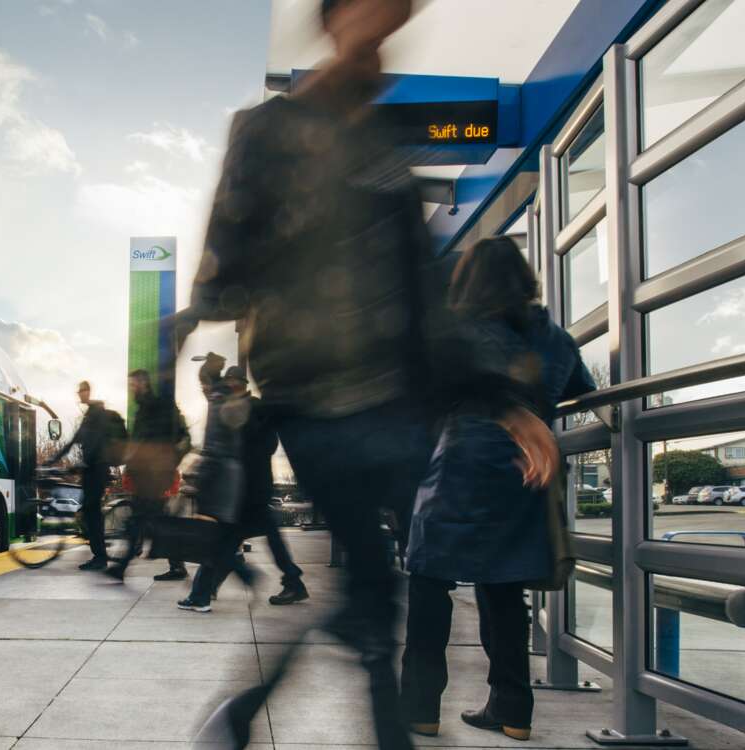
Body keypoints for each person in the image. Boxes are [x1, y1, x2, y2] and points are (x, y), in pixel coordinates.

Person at [177, 1, 559, 746]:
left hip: (398, 402)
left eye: (397, 19)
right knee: (377, 599)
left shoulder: (385, 149)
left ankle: (251, 710)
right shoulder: (268, 130)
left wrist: (501, 400)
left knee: (378, 596)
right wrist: (194, 343)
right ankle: (263, 710)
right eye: (374, 13)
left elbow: (426, 302)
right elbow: (221, 266)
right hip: (308, 395)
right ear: (334, 18)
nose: (386, 31)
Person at [402, 238, 594, 741]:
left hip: (457, 468)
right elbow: (580, 391)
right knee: (505, 591)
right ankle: (513, 713)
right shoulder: (556, 339)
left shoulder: (458, 332)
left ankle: (420, 708)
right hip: (525, 476)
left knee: (428, 583)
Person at [179, 366, 307, 612]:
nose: (228, 386)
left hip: (249, 486)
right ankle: (289, 580)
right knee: (237, 538)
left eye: (231, 382)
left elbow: (265, 444)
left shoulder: (253, 408)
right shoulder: (235, 406)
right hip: (244, 485)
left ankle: (205, 591)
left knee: (224, 540)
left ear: (240, 383)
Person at [105, 369, 190, 582]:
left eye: (133, 385)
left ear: (143, 383)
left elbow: (162, 442)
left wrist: (167, 464)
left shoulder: (155, 407)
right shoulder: (144, 408)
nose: (132, 389)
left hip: (154, 476)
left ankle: (122, 566)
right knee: (151, 520)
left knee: (143, 519)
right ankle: (175, 565)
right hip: (147, 475)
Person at [50, 381, 113, 570]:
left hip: (97, 470)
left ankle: (100, 557)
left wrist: (83, 463)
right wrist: (53, 459)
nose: (80, 395)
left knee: (92, 513)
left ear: (88, 392)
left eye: (82, 392)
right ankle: (99, 553)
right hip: (90, 471)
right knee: (90, 513)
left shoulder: (98, 415)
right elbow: (73, 441)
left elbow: (96, 444)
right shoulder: (88, 416)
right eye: (79, 392)